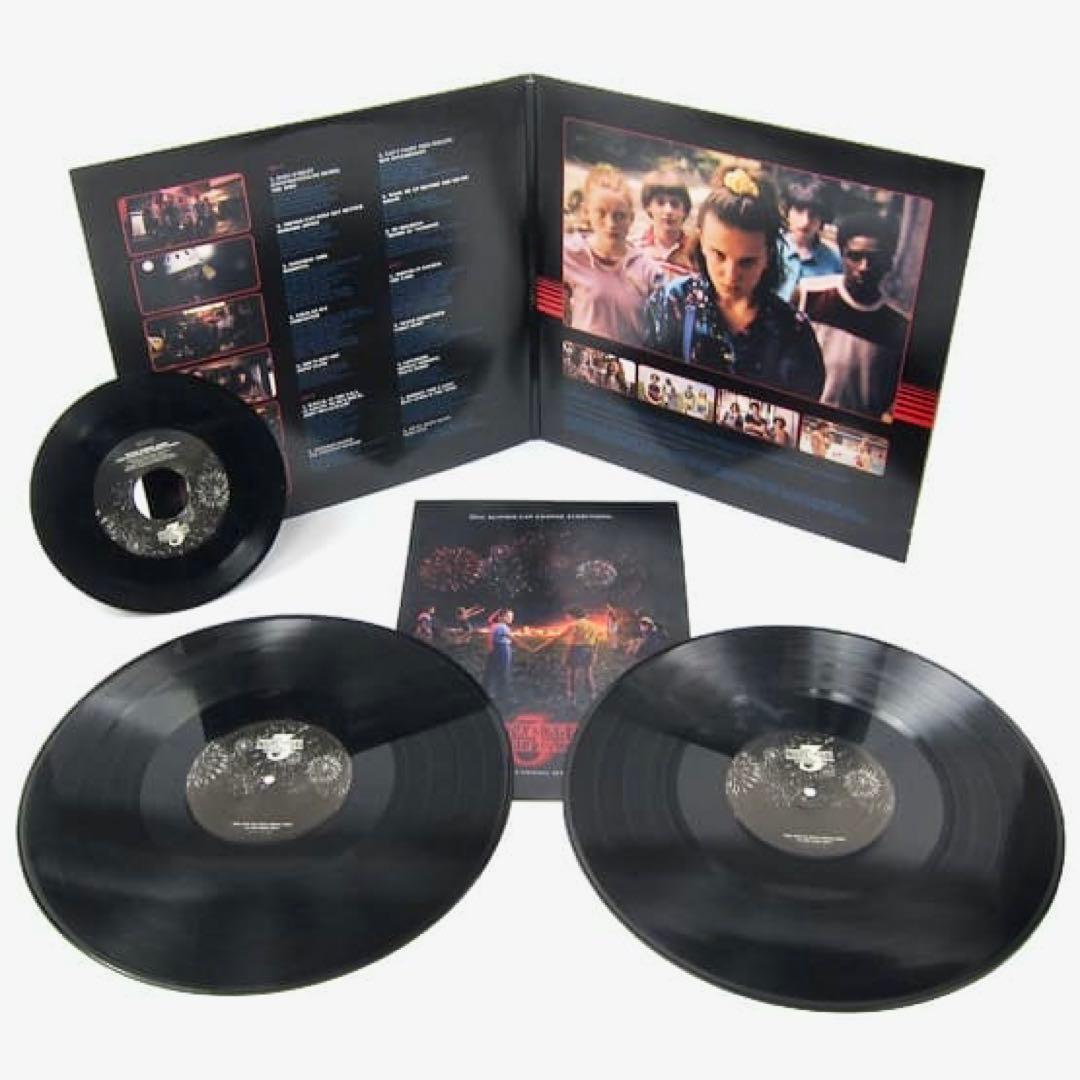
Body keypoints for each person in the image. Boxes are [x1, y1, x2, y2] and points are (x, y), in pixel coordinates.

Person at [645, 168, 826, 400]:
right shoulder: (671, 304)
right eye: (718, 255)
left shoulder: (794, 333)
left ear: (769, 255)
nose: (730, 275)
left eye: (747, 262)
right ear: (701, 242)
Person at [796, 211, 910, 418]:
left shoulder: (900, 325)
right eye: (855, 256)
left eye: (874, 258)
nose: (864, 267)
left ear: (889, 262)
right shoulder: (808, 295)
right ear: (842, 254)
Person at [563, 165, 661, 345]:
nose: (610, 224)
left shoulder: (648, 271)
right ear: (587, 212)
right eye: (601, 213)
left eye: (619, 216)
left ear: (631, 218)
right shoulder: (569, 254)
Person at [777, 176, 842, 300]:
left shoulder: (834, 261)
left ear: (823, 217)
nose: (805, 222)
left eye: (813, 214)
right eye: (799, 210)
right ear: (787, 211)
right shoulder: (770, 248)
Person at [634, 168, 697, 272]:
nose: (668, 211)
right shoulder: (635, 249)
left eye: (675, 204)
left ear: (685, 210)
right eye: (660, 203)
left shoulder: (696, 252)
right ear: (648, 207)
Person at [482, 609, 516, 704]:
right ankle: (503, 696)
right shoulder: (502, 627)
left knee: (494, 672)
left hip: (497, 649)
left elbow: (490, 621)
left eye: (511, 617)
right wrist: (530, 649)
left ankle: (493, 693)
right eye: (508, 616)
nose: (511, 619)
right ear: (501, 617)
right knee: (503, 672)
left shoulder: (495, 625)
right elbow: (514, 639)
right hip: (502, 649)